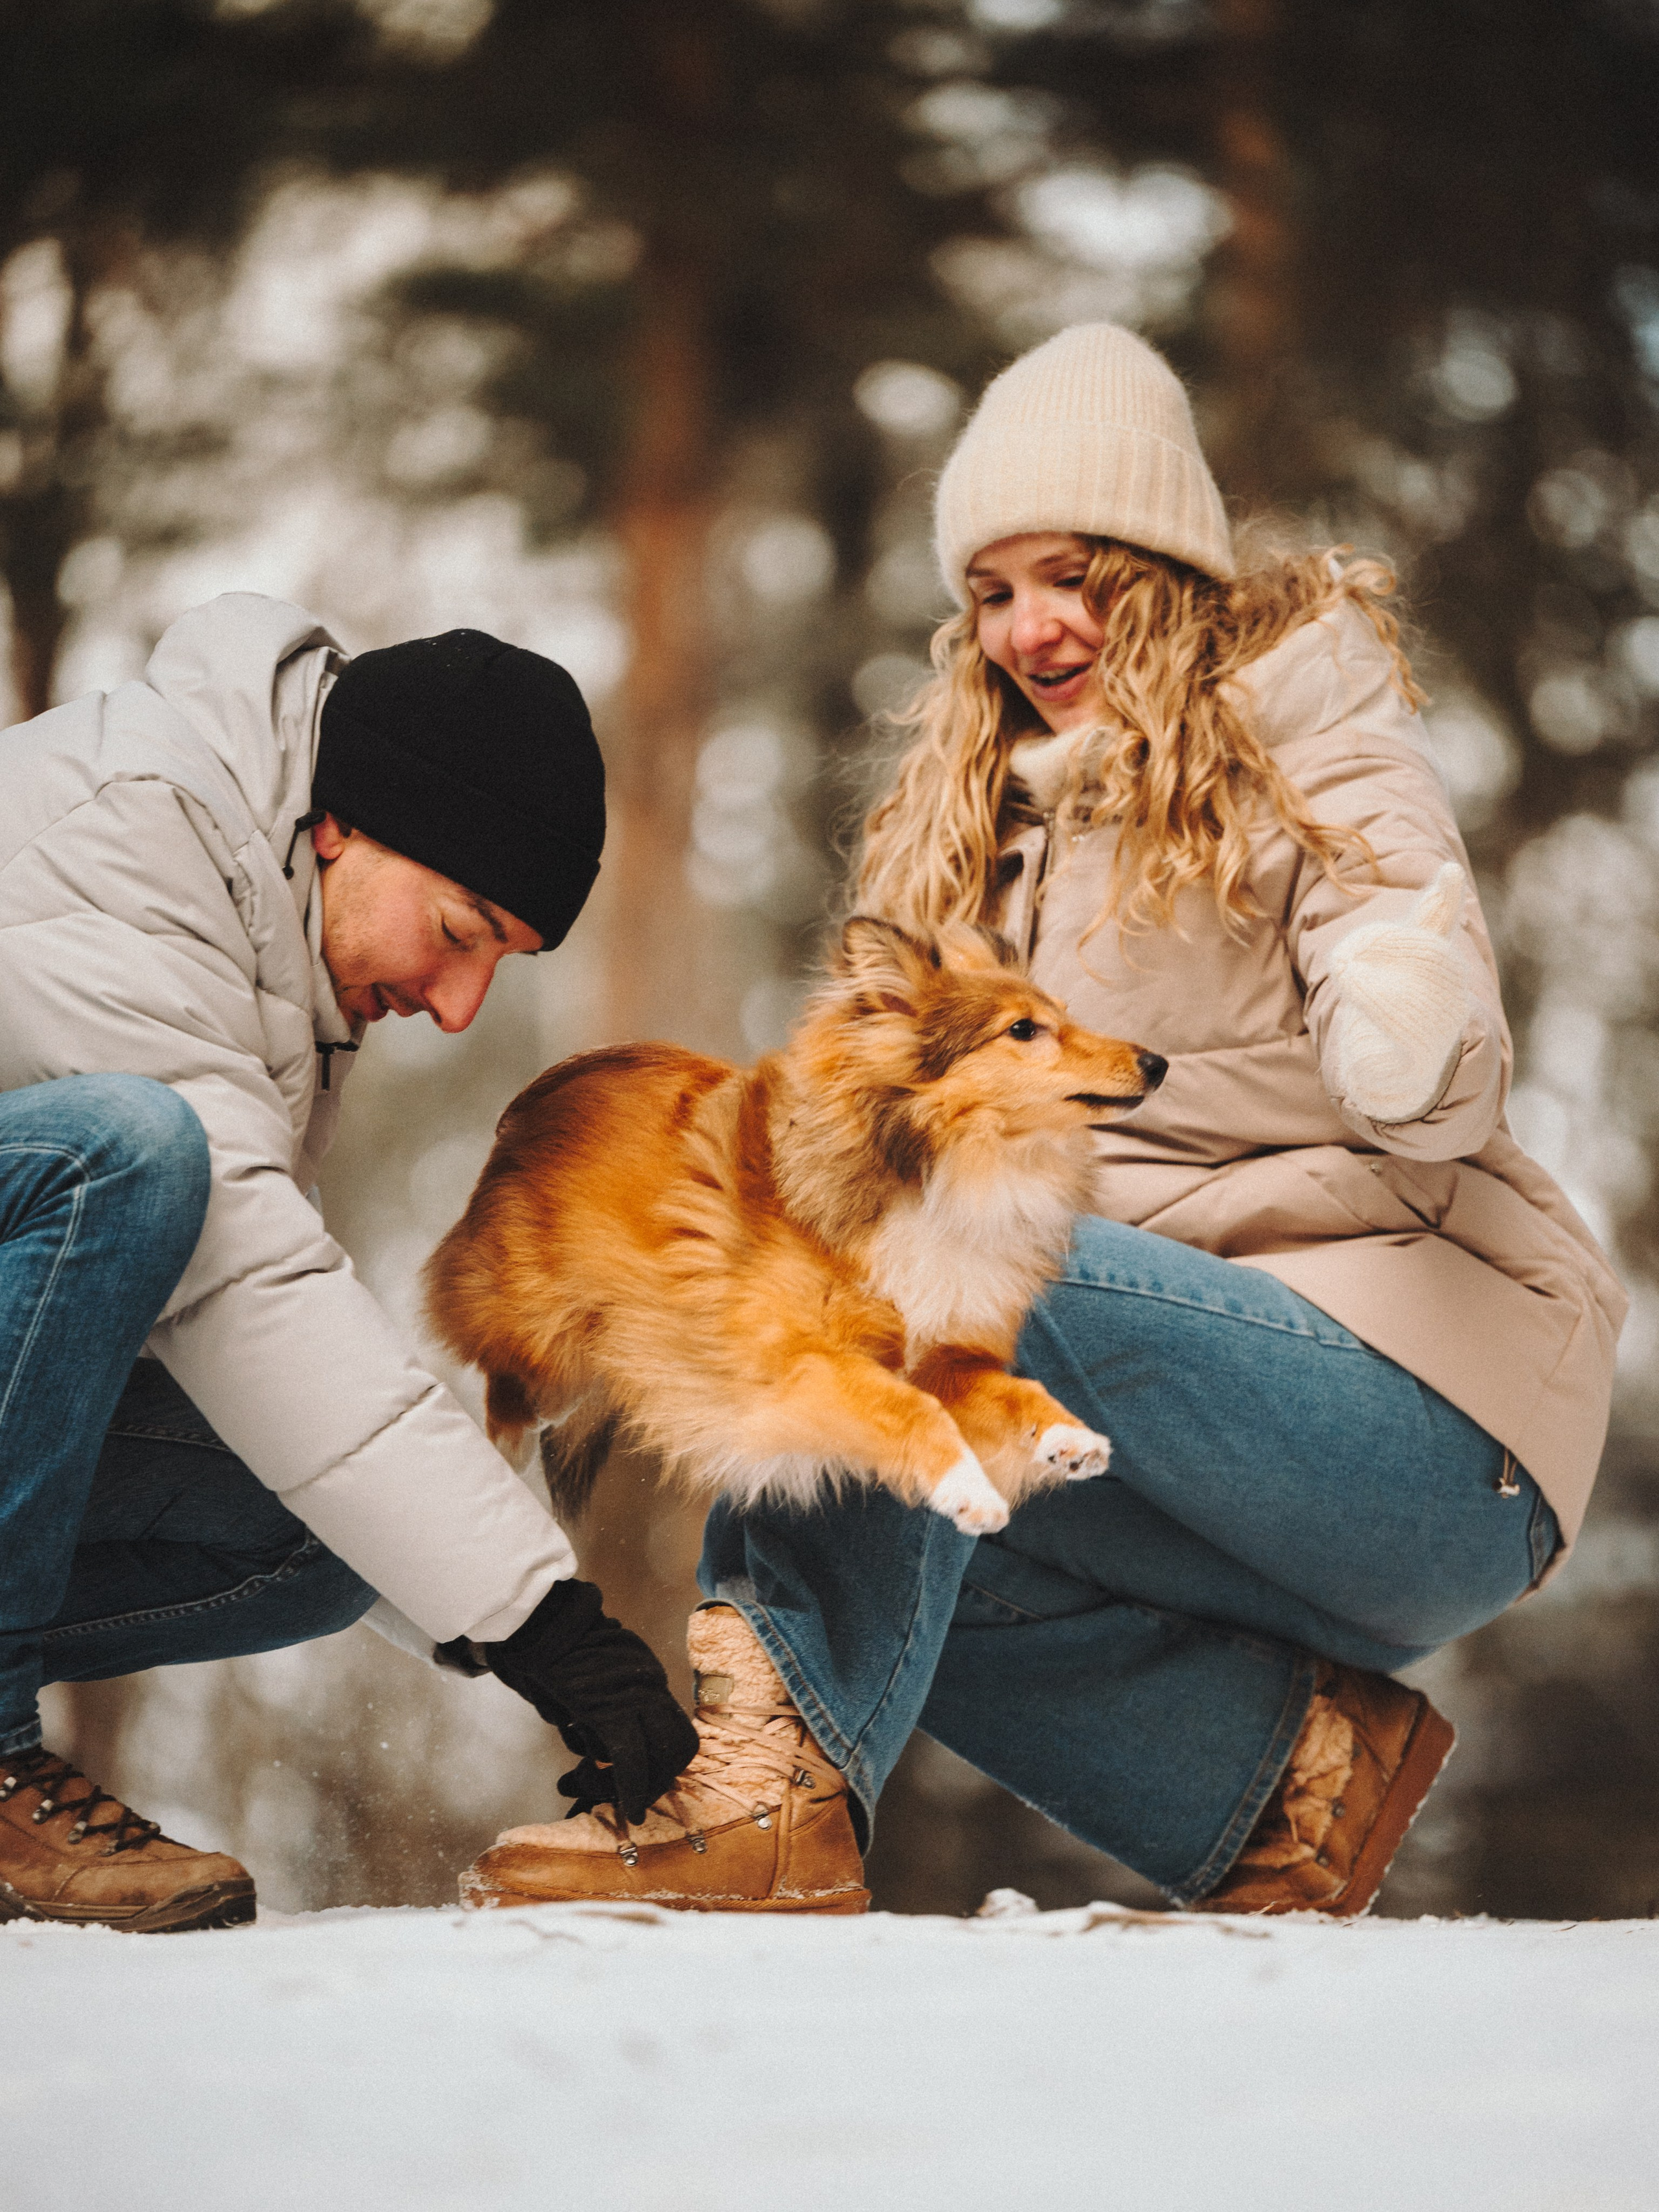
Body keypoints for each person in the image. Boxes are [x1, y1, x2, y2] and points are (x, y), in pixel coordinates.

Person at [463, 323, 1626, 1920]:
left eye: (1069, 573)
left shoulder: (1306, 729)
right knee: (874, 1481)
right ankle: (1286, 1777)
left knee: (933, 1281)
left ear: (1155, 565)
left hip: (1420, 1422)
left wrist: (1407, 1012)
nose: (1030, 626)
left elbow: (1404, 984)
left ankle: (768, 1813)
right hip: (1173, 1455)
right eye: (992, 592)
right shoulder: (960, 831)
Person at [0, 596, 696, 1931]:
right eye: (458, 931)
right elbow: (245, 1283)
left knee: (307, 1543)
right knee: (129, 1155)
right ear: (343, 824)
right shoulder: (133, 832)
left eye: (499, 963)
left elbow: (253, 1375)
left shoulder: (272, 926)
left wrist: (494, 1624)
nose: (456, 1009)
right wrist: (545, 1623)